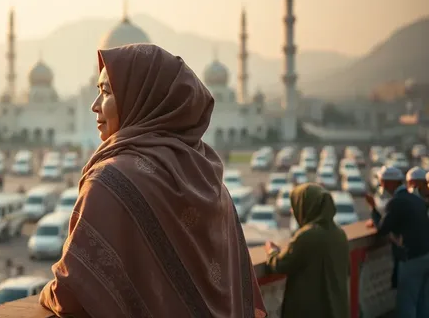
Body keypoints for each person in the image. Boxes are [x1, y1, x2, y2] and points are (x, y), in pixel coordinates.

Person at [38, 44, 266, 318]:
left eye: (107, 92)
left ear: (140, 98)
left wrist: (46, 294)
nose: (94, 105)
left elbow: (71, 295)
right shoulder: (207, 175)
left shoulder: (110, 182)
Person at [264, 183, 349, 318]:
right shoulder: (339, 234)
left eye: (295, 206)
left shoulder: (307, 235)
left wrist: (272, 251)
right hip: (336, 309)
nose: (293, 211)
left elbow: (280, 265)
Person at [365, 165, 429, 317]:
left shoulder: (396, 202)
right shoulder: (415, 199)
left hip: (412, 257)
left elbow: (382, 230)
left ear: (389, 183)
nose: (381, 186)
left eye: (382, 182)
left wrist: (373, 209)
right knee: (423, 302)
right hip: (426, 254)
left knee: (407, 302)